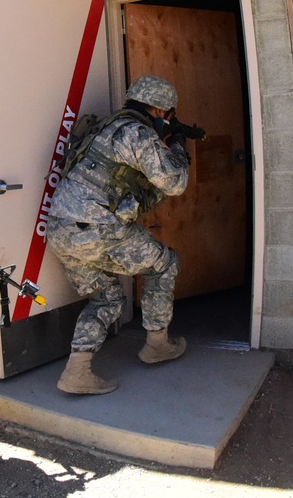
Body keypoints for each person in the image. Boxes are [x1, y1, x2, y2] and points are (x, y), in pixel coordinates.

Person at [46, 75, 191, 395]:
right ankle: (156, 344)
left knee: (107, 297)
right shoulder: (137, 133)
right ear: (158, 109)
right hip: (96, 230)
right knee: (164, 264)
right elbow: (175, 182)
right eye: (167, 115)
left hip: (59, 231)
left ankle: (77, 371)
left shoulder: (107, 126)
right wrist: (178, 144)